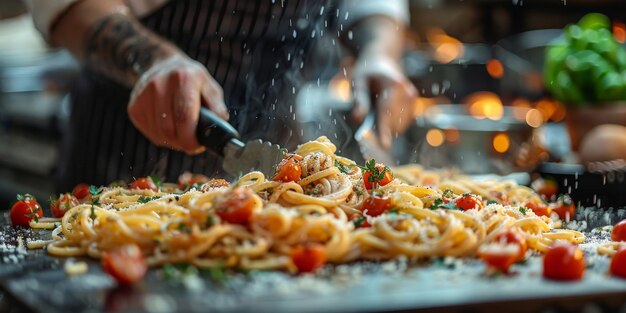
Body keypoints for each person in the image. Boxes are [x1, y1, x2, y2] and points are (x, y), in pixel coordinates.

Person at [24, 0, 417, 191]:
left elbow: (371, 4)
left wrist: (379, 55)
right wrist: (153, 61)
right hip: (125, 160)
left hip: (278, 156)